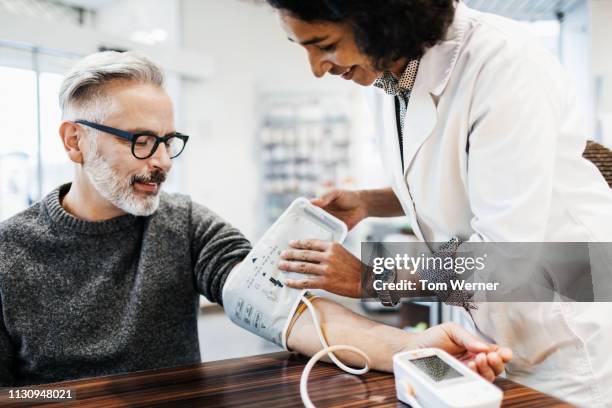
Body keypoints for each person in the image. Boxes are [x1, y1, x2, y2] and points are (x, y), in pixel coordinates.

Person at [0, 51, 510, 387]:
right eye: (141, 141)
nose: (162, 161)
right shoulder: (10, 253)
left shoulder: (183, 224)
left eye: (168, 141)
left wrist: (408, 344)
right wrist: (67, 401)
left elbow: (280, 308)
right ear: (74, 140)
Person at [267, 0, 612, 406]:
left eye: (324, 45)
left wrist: (374, 276)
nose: (316, 67)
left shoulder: (503, 65)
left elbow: (508, 255)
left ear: (380, 19)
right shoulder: (388, 76)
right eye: (301, 46)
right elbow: (457, 177)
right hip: (498, 327)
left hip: (571, 329)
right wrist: (369, 202)